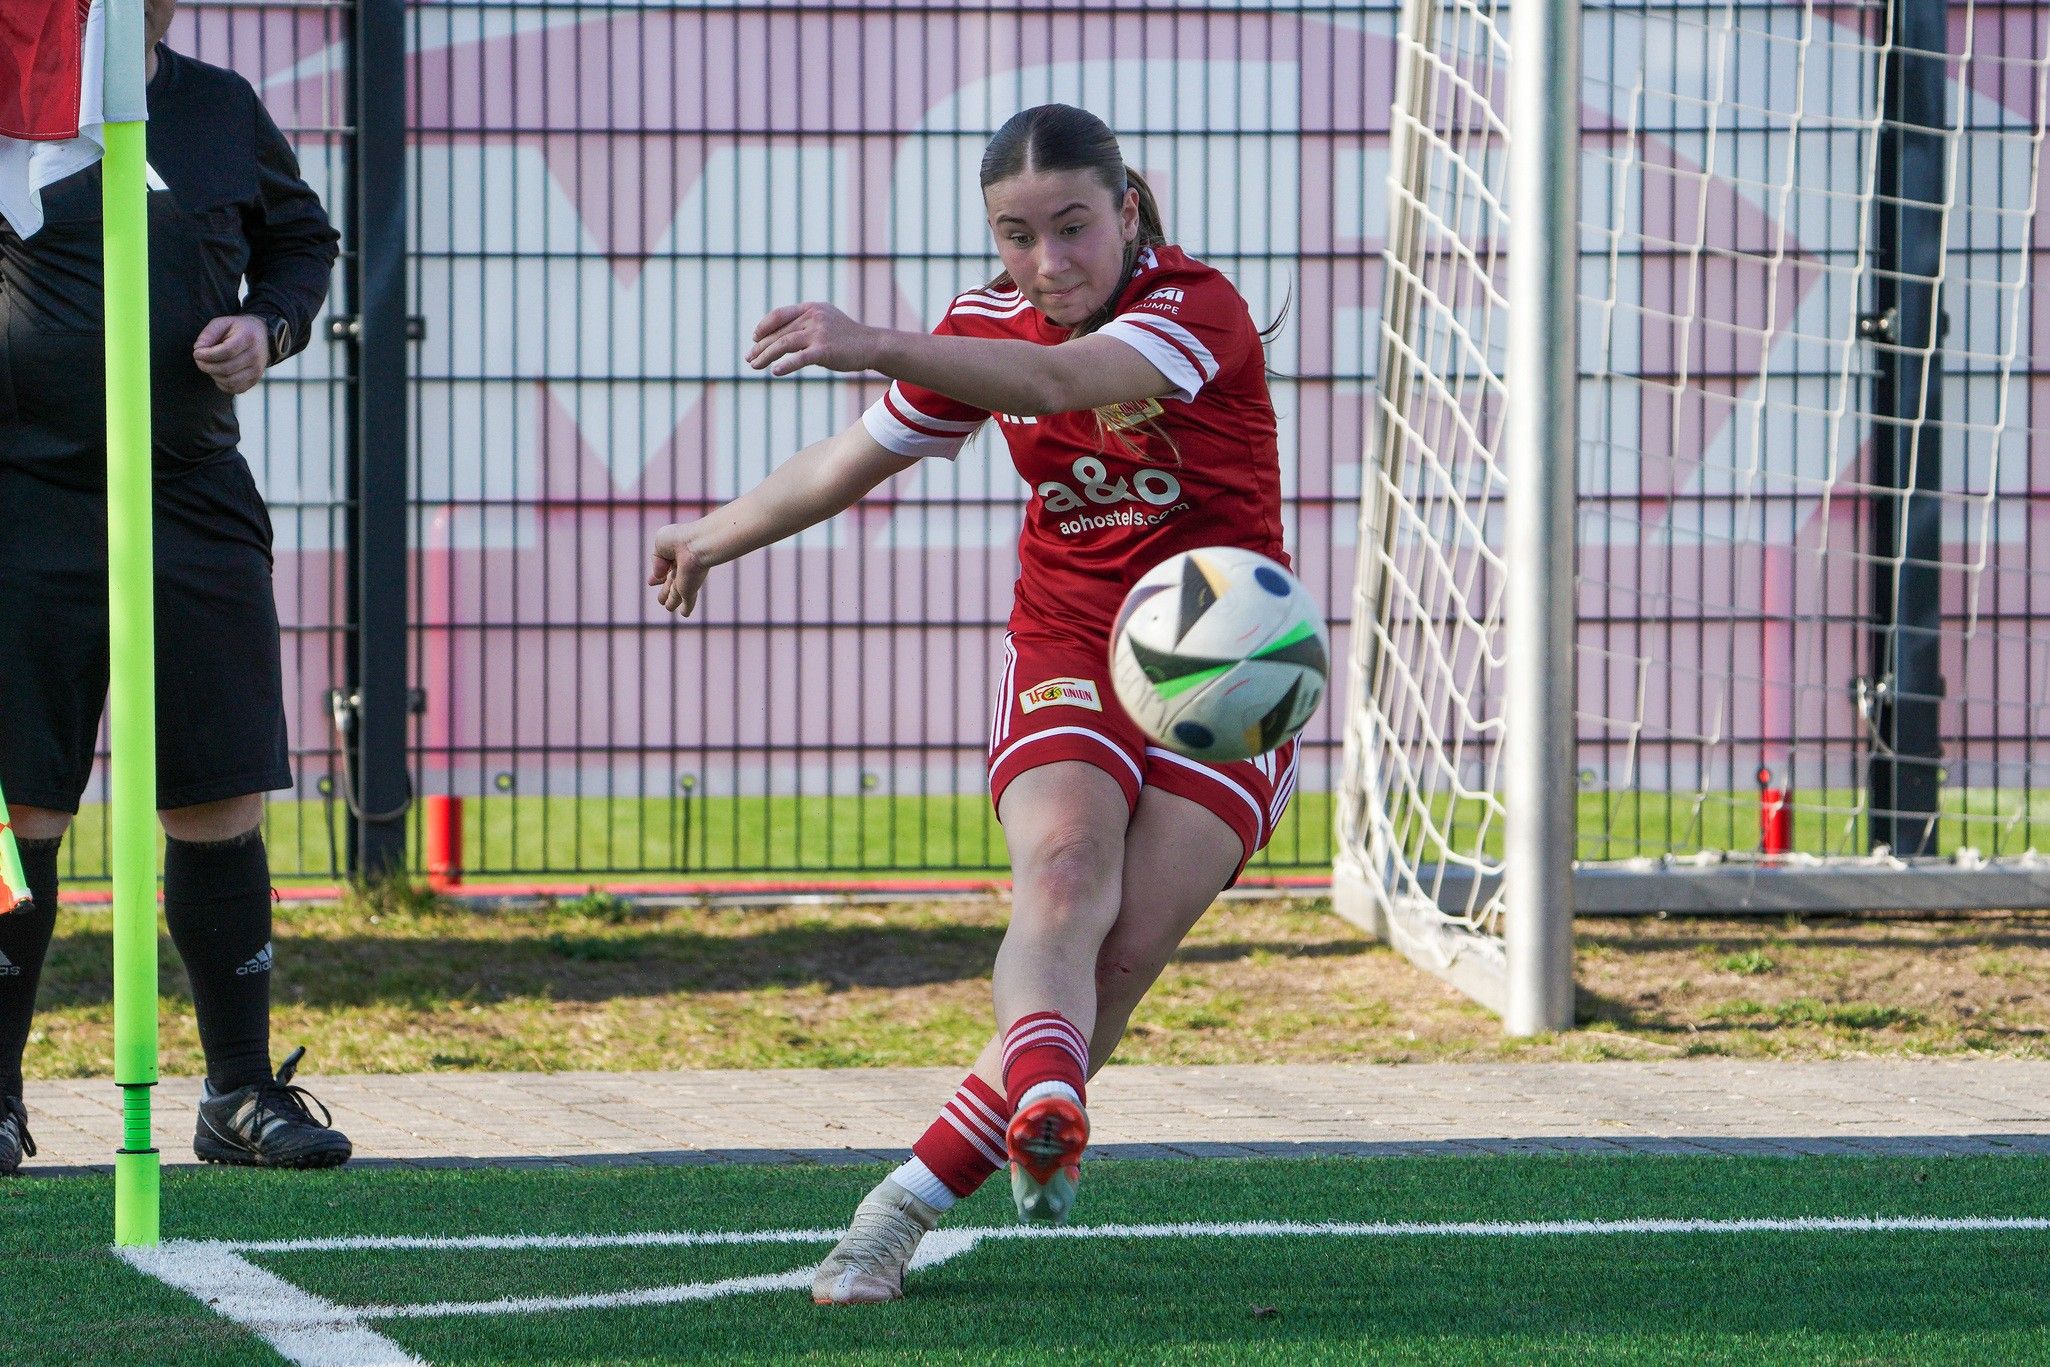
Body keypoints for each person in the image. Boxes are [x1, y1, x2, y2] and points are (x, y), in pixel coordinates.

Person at [647, 103, 1297, 1303]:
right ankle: (1009, 1129)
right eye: (1016, 235)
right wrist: (712, 535)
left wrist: (869, 340)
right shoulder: (981, 327)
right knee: (1062, 870)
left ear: (1128, 213)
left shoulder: (1194, 307)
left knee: (1117, 963)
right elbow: (850, 460)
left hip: (1228, 658)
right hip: (1069, 639)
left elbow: (1056, 379)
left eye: (1072, 226)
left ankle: (912, 1190)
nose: (1047, 262)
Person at [0, 0, 350, 1174]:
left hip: (191, 494)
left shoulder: (219, 106)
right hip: (25, 501)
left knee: (217, 792)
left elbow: (302, 244)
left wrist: (268, 325)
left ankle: (240, 1092)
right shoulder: (14, 97)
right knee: (22, 808)